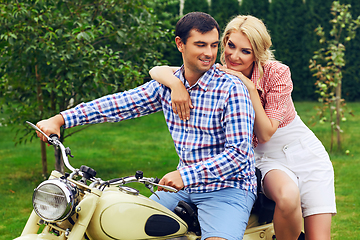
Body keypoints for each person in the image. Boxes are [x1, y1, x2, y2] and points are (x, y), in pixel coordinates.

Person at [36, 12, 257, 240]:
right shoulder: (167, 86)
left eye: (213, 45)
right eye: (200, 45)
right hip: (182, 188)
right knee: (126, 226)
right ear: (180, 44)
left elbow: (239, 154)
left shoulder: (231, 89)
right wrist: (61, 119)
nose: (209, 53)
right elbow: (119, 104)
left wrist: (186, 176)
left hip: (229, 187)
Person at [149, 15, 336, 240]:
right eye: (230, 46)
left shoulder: (277, 73)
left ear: (257, 53)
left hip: (303, 151)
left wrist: (248, 87)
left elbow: (267, 131)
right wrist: (175, 84)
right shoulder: (214, 71)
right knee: (287, 197)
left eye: (245, 51)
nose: (234, 56)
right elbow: (159, 70)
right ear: (225, 41)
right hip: (262, 156)